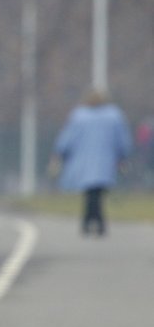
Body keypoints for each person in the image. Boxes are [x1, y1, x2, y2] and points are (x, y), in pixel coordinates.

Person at [49, 90, 131, 236]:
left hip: (83, 161)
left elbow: (67, 138)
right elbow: (122, 139)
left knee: (90, 192)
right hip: (106, 160)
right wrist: (123, 156)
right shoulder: (114, 116)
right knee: (97, 192)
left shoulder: (79, 116)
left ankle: (89, 222)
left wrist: (60, 153)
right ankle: (97, 222)